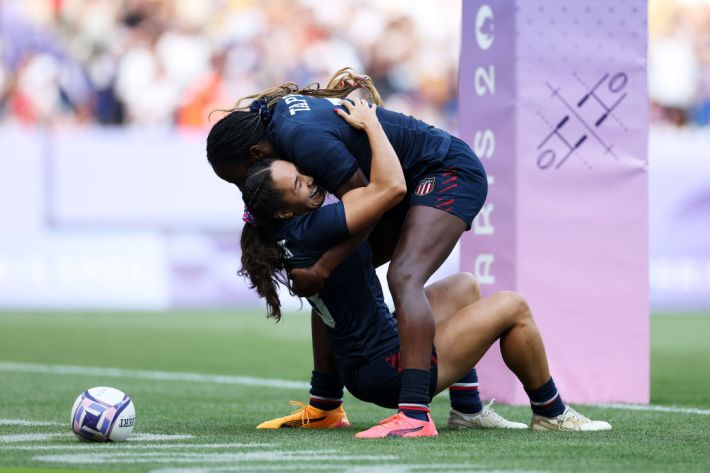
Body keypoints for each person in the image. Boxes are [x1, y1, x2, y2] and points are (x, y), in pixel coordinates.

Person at [237, 99, 611, 437]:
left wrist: (325, 399)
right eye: (300, 183)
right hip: (390, 370)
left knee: (463, 286)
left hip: (364, 369)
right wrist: (371, 123)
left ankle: (467, 410)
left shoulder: (287, 232)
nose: (313, 179)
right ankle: (550, 412)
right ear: (284, 209)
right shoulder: (318, 227)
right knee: (513, 306)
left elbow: (326, 313)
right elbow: (388, 187)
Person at [206, 68, 489, 432]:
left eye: (239, 177)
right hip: (402, 180)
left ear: (257, 151)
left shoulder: (300, 139)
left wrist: (325, 265)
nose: (245, 187)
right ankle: (326, 407)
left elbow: (373, 199)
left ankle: (416, 414)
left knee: (403, 277)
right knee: (335, 280)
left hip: (445, 170)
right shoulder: (273, 122)